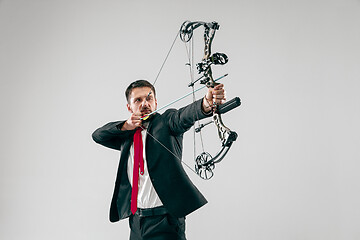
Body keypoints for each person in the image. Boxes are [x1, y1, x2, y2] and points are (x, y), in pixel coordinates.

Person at [92, 79, 226, 240]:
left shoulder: (166, 122)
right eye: (138, 100)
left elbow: (183, 116)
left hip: (165, 221)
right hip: (136, 221)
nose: (145, 104)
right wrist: (125, 126)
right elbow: (98, 135)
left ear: (155, 102)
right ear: (129, 107)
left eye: (149, 98)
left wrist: (205, 104)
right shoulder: (125, 136)